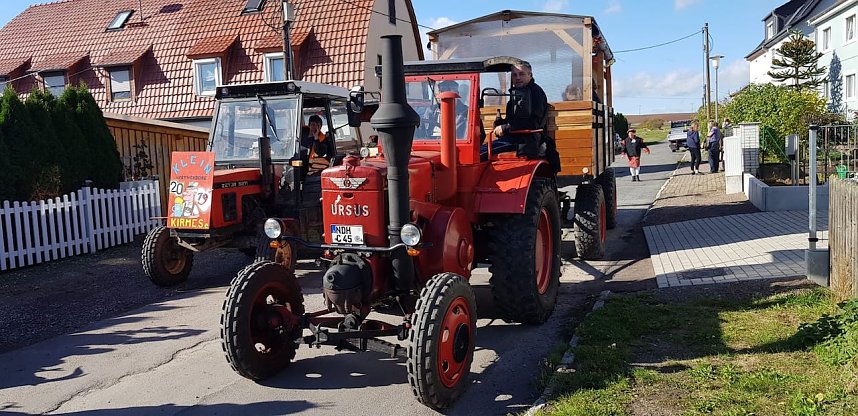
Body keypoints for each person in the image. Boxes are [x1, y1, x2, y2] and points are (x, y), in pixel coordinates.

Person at [489, 60, 560, 172]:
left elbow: (532, 123)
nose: (517, 78)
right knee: (482, 150)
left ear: (530, 75)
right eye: (514, 75)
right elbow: (514, 121)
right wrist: (501, 123)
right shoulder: (517, 94)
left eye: (521, 74)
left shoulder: (535, 93)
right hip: (516, 138)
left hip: (525, 141)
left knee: (481, 153)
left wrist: (505, 127)